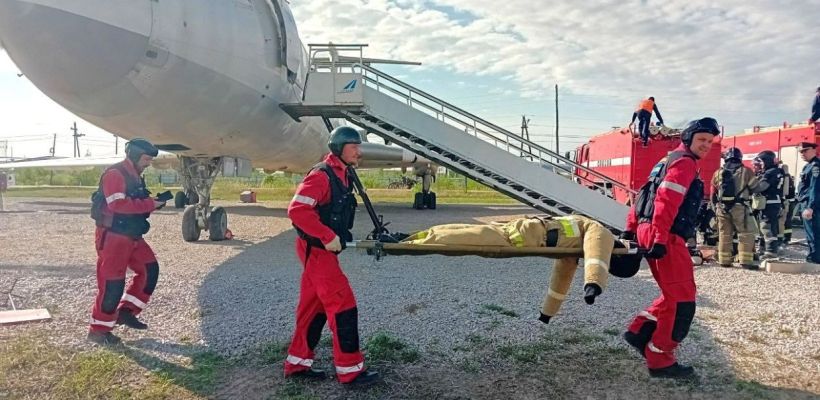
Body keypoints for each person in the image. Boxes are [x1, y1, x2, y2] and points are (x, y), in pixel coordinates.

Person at [620, 117, 720, 379]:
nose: (706, 145)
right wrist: (661, 238)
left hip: (649, 230)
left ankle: (640, 331)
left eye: (710, 141)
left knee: (671, 291)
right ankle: (660, 358)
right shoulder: (685, 164)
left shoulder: (667, 160)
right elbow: (665, 201)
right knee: (683, 299)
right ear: (688, 139)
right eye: (702, 140)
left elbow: (643, 194)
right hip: (664, 235)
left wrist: (630, 230)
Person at [400, 215, 642, 322]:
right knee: (465, 240)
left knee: (462, 232)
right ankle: (403, 243)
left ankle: (408, 238)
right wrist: (593, 285)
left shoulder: (578, 244)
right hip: (525, 237)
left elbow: (563, 275)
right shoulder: (602, 234)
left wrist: (547, 313)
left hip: (525, 230)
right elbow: (596, 255)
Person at [283, 126, 380, 387]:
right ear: (339, 148)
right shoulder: (322, 176)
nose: (359, 151)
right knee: (342, 303)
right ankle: (350, 370)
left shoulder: (344, 174)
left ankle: (297, 363)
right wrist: (326, 236)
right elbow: (297, 210)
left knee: (312, 308)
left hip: (321, 251)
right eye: (354, 146)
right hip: (316, 250)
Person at [88, 138, 166, 345]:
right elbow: (118, 205)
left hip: (132, 236)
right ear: (134, 155)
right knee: (112, 284)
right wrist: (150, 203)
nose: (148, 163)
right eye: (146, 159)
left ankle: (126, 312)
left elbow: (134, 203)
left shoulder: (135, 176)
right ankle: (98, 331)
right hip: (114, 237)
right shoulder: (115, 174)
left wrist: (153, 204)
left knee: (150, 270)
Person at [711, 147, 761, 269]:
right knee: (745, 233)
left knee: (724, 234)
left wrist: (715, 208)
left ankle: (724, 261)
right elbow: (756, 188)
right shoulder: (746, 171)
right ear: (740, 158)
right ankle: (745, 261)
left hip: (721, 208)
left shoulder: (717, 173)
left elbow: (713, 192)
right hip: (740, 208)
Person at [752, 151, 783, 258]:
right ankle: (763, 248)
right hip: (772, 202)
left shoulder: (770, 173)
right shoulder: (776, 171)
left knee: (767, 226)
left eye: (761, 161)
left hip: (769, 203)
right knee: (765, 227)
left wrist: (751, 186)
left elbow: (761, 187)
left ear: (767, 161)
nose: (760, 164)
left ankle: (770, 251)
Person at [797, 142, 820, 263]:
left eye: (805, 150)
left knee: (814, 232)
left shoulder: (816, 166)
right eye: (800, 151)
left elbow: (815, 188)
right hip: (805, 203)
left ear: (814, 150)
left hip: (811, 205)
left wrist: (810, 207)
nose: (802, 154)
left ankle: (816, 258)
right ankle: (813, 255)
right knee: (809, 232)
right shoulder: (808, 166)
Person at [778, 163, 796, 245]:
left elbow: (785, 192)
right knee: (788, 221)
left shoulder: (784, 177)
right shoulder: (789, 177)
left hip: (787, 202)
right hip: (791, 202)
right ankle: (787, 238)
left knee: (784, 221)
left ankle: (784, 238)